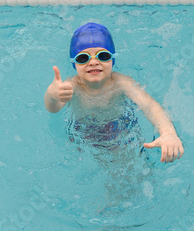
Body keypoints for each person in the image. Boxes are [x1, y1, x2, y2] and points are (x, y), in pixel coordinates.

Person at [44, 22, 184, 163]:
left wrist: (168, 132)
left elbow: (149, 105)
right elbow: (53, 108)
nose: (93, 62)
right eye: (83, 58)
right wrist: (52, 95)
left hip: (118, 131)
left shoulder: (121, 83)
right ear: (74, 63)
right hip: (82, 133)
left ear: (112, 59)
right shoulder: (71, 86)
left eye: (103, 56)